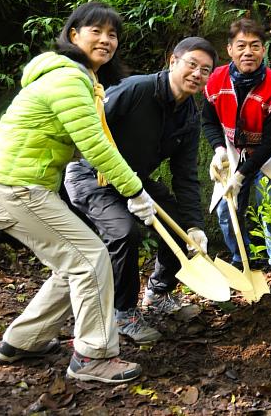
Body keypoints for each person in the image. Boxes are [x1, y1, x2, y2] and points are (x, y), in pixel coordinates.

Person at [0, 1, 156, 384]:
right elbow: (94, 144)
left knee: (71, 264)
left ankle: (23, 340)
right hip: (16, 188)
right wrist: (135, 191)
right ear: (73, 35)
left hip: (12, 188)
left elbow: (77, 141)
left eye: (113, 35)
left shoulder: (81, 81)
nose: (106, 40)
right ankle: (93, 356)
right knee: (91, 259)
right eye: (96, 31)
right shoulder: (67, 79)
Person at [64, 37, 217, 344]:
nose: (197, 74)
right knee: (124, 233)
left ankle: (158, 292)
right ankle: (123, 313)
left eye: (205, 70)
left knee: (180, 227)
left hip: (135, 181)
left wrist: (195, 227)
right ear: (172, 61)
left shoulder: (188, 116)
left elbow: (185, 176)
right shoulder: (136, 89)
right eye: (192, 64)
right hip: (91, 175)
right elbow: (88, 129)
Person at [202, 18, 271, 291]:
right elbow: (208, 121)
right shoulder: (215, 80)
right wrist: (218, 150)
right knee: (226, 208)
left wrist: (242, 175)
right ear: (230, 49)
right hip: (233, 149)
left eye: (255, 46)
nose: (248, 52)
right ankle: (242, 260)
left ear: (264, 50)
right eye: (241, 46)